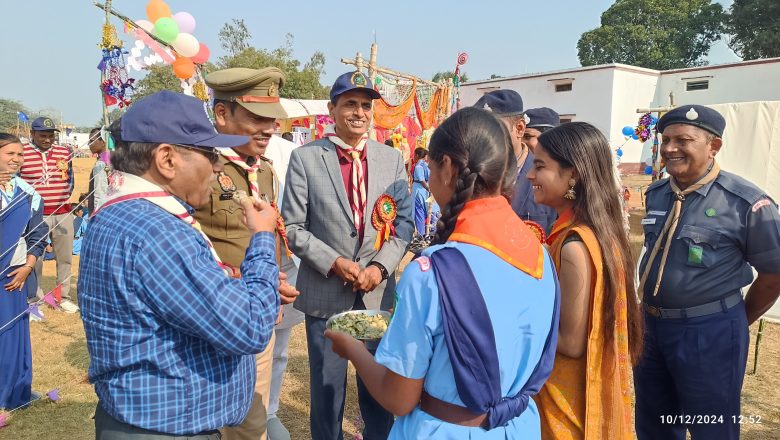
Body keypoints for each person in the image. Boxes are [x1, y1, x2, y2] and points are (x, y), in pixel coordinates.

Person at [326, 107, 560, 439]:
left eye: (433, 167)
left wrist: (352, 349)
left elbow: (398, 398)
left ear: (447, 167)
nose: (431, 178)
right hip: (519, 427)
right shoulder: (541, 255)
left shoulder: (431, 273)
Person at [78, 91, 281, 439]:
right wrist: (262, 240)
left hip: (140, 418)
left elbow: (166, 298)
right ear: (167, 159)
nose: (218, 166)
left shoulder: (121, 213)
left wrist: (240, 283)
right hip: (167, 427)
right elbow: (249, 328)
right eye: (209, 154)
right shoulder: (159, 232)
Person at [282, 70, 414, 440]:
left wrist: (380, 267)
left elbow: (404, 225)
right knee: (327, 393)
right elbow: (292, 228)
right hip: (326, 296)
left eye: (366, 105)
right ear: (332, 109)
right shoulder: (306, 158)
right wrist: (334, 262)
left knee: (378, 391)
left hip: (375, 294)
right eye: (350, 104)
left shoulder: (390, 159)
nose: (359, 112)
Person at [634, 105, 780, 440]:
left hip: (709, 332)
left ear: (713, 147)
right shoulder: (658, 193)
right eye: (666, 139)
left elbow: (774, 274)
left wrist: (734, 322)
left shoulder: (745, 203)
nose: (670, 148)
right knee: (654, 424)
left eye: (683, 140)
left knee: (710, 428)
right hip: (652, 327)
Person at [195, 67, 300, 440]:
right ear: (223, 114)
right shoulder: (200, 168)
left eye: (272, 119)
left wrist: (272, 280)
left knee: (250, 421)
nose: (269, 128)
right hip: (212, 322)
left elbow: (263, 235)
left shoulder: (265, 170)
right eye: (257, 118)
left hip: (256, 317)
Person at [528, 122, 643, 439]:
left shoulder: (575, 246)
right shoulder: (594, 232)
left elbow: (571, 343)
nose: (530, 176)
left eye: (540, 166)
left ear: (573, 175)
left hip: (567, 404)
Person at [0, 133, 48, 410]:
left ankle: (13, 392)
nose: (17, 160)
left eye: (20, 155)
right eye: (10, 154)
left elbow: (38, 235)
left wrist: (27, 267)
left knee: (12, 335)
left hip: (13, 278)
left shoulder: (29, 193)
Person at [473, 91, 557, 233]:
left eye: (494, 129)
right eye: (479, 130)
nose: (486, 137)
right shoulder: (474, 174)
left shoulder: (551, 177)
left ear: (519, 128)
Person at [19, 117, 78, 313]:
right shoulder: (23, 153)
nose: (47, 139)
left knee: (65, 257)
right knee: (36, 258)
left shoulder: (63, 152)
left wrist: (62, 198)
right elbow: (18, 182)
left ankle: (63, 297)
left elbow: (70, 180)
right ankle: (34, 298)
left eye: (51, 135)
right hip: (36, 216)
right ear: (32, 134)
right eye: (42, 135)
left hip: (62, 213)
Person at [87, 127, 110, 213]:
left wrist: (97, 217)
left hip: (102, 213)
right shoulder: (114, 159)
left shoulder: (100, 164)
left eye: (91, 141)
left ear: (103, 142)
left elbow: (100, 195)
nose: (89, 144)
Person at [411, 147, 430, 236]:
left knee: (419, 211)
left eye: (414, 155)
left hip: (419, 190)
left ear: (417, 155)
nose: (413, 157)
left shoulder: (418, 166)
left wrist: (428, 189)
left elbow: (422, 180)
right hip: (424, 190)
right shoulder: (426, 165)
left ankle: (420, 233)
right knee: (424, 210)